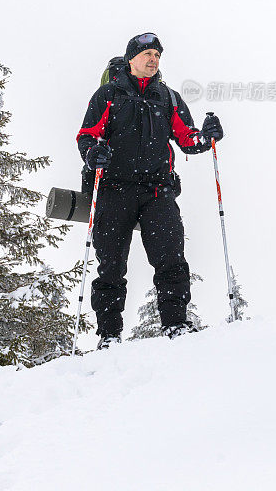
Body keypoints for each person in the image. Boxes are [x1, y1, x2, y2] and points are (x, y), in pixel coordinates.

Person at [76, 32, 223, 349]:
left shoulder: (167, 98)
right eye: (147, 54)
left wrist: (207, 136)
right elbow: (87, 136)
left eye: (157, 54)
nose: (153, 59)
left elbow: (187, 139)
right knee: (111, 266)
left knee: (171, 259)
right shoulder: (108, 95)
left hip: (158, 190)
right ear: (131, 59)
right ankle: (109, 336)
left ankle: (176, 326)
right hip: (115, 189)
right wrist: (92, 154)